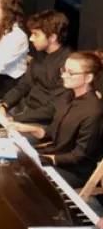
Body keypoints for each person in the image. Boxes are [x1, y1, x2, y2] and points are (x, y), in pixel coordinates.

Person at [10, 52, 103, 188]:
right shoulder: (67, 96)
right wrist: (31, 129)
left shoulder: (94, 112)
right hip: (52, 156)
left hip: (73, 170)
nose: (64, 75)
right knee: (10, 163)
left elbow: (79, 156)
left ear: (88, 77)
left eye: (71, 73)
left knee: (21, 179)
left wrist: (47, 158)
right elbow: (55, 131)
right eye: (64, 70)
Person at [0, 10, 72, 125]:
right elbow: (23, 86)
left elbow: (53, 107)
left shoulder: (69, 64)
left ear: (53, 37)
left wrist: (17, 119)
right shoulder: (40, 55)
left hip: (39, 122)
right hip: (22, 111)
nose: (31, 38)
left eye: (36, 34)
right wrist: (4, 104)